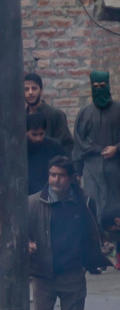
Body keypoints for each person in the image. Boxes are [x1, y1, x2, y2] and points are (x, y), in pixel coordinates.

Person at [27, 157, 110, 310]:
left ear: (72, 179)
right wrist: (28, 244)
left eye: (61, 176)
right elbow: (21, 232)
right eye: (53, 175)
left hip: (72, 270)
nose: (56, 180)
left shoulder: (82, 202)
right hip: (43, 272)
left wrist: (95, 259)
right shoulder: (34, 203)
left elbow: (92, 233)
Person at [74, 71, 120, 219]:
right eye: (95, 86)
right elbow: (79, 142)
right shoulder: (85, 113)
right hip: (91, 170)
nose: (99, 89)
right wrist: (77, 171)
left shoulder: (118, 110)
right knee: (92, 209)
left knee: (115, 211)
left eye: (102, 86)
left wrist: (116, 149)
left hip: (115, 169)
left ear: (108, 86)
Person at [24, 72, 73, 158]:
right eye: (26, 89)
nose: (30, 92)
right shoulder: (20, 118)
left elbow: (67, 147)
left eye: (34, 88)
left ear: (41, 91)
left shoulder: (56, 115)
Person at [26, 112, 65, 195]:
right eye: (34, 134)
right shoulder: (20, 149)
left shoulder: (55, 147)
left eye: (41, 134)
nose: (38, 138)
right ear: (26, 132)